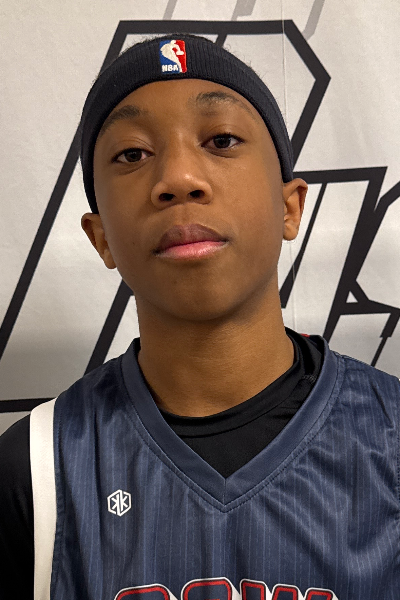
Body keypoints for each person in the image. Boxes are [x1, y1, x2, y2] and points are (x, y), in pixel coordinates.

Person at [0, 33, 399, 600]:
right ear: (101, 237)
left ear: (290, 206)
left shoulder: (390, 436)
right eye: (132, 154)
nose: (179, 179)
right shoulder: (36, 469)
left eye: (221, 140)